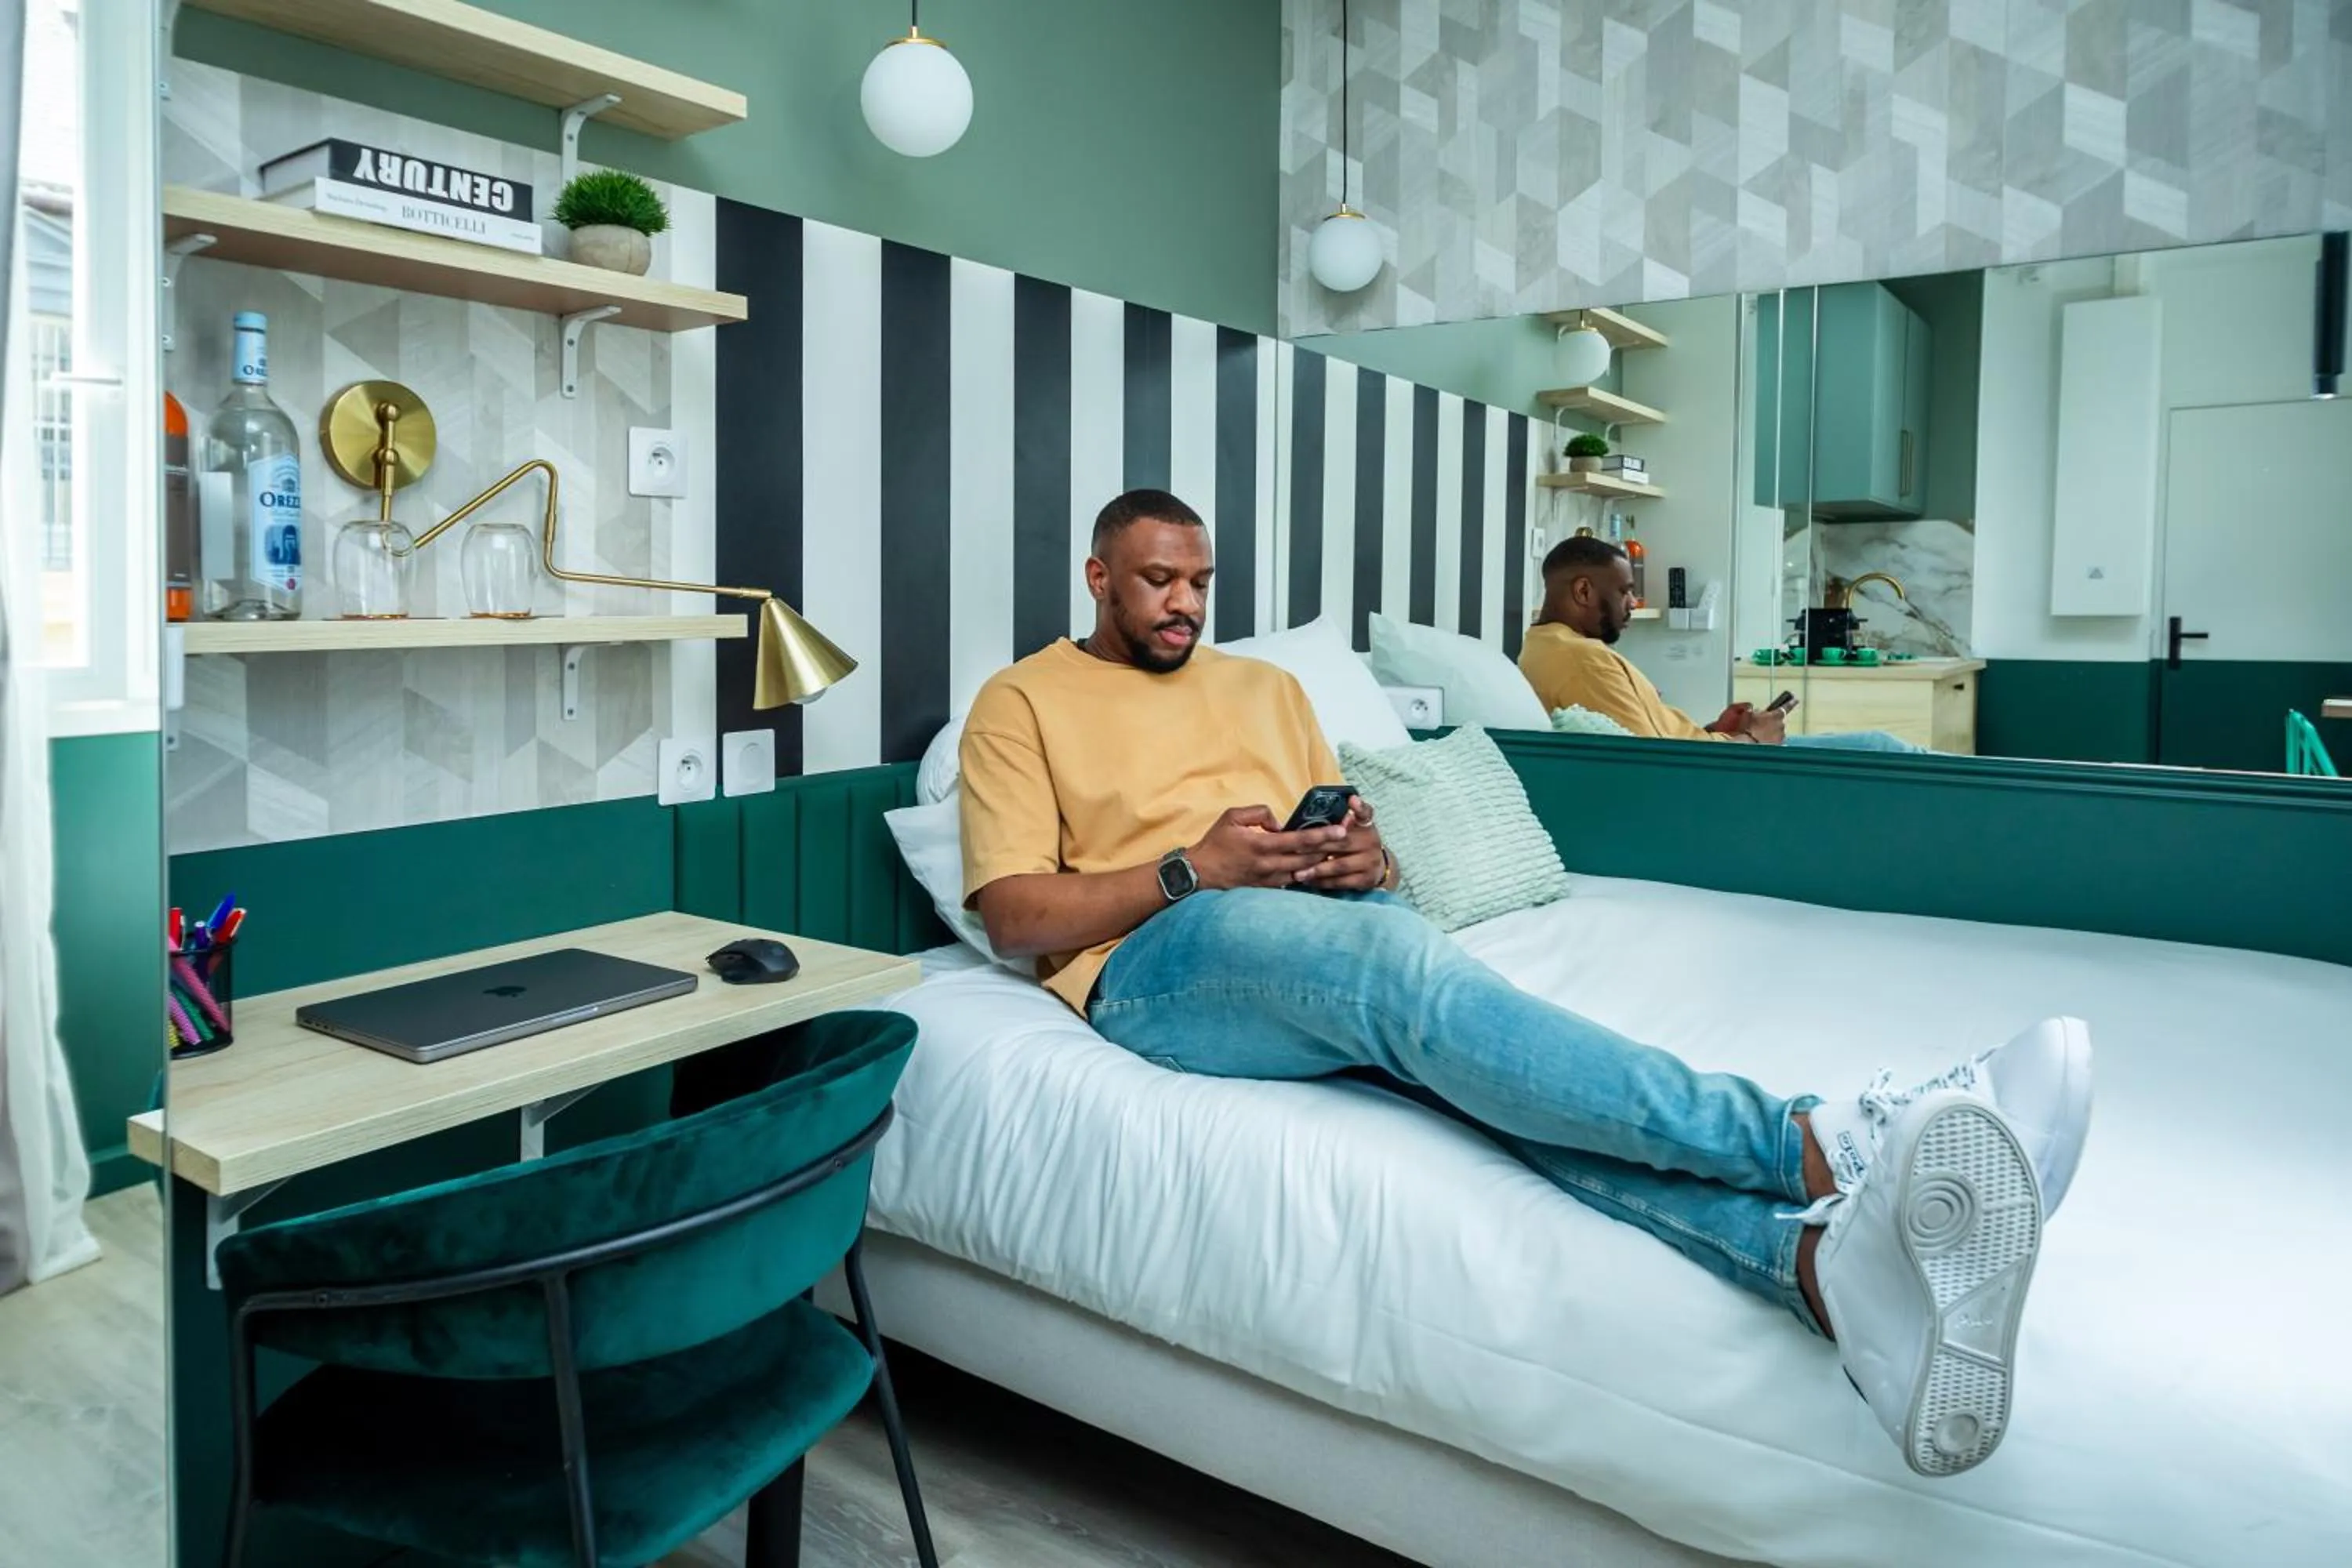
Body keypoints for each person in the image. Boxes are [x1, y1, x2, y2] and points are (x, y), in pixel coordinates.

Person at [956, 488, 2092, 1476]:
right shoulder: (1023, 701)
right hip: (1158, 958)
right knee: (1401, 971)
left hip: (1311, 931)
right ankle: (1813, 1142)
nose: (1186, 604)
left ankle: (1819, 1270)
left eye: (1201, 582)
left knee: (1473, 1066)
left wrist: (1367, 860)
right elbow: (1011, 917)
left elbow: (1348, 841)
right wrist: (1191, 868)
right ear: (1099, 577)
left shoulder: (1265, 687)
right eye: (1158, 581)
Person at [1519, 536, 1921, 751]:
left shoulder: (1547, 647)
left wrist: (1717, 730)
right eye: (1624, 591)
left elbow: (1657, 737)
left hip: (1723, 750)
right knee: (1880, 746)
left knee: (1880, 745)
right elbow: (1654, 764)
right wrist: (1753, 740)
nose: (1632, 602)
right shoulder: (1582, 659)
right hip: (1728, 766)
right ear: (1584, 591)